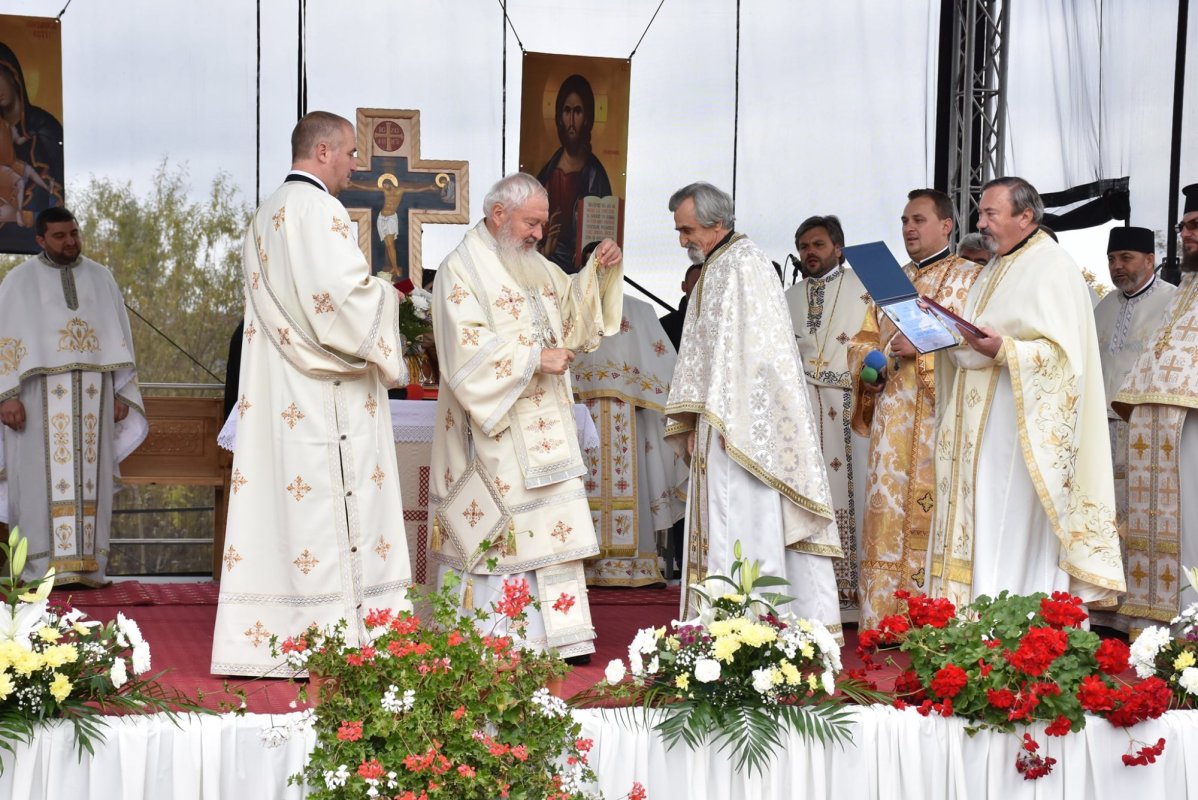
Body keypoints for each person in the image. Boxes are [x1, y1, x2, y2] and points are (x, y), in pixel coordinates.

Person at [210, 111, 412, 677]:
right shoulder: (319, 209)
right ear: (323, 152)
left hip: (279, 392)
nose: (355, 165)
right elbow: (341, 302)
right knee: (327, 512)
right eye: (349, 153)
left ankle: (268, 641)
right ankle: (340, 639)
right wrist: (391, 302)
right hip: (326, 398)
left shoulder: (263, 213)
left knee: (283, 513)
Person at [428, 172, 623, 662]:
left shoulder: (532, 265)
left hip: (547, 427)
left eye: (541, 223)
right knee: (506, 533)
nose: (539, 234)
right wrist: (534, 359)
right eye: (531, 223)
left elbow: (572, 310)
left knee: (555, 527)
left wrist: (598, 271)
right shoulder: (462, 270)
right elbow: (463, 349)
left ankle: (562, 637)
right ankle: (498, 636)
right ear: (499, 215)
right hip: (494, 430)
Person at [927, 176, 1124, 610]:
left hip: (1021, 431)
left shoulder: (1052, 265)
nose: (981, 223)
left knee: (1007, 521)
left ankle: (1015, 622)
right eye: (980, 213)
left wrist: (1005, 350)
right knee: (982, 516)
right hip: (981, 424)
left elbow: (1065, 359)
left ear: (1026, 216)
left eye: (990, 214)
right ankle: (969, 620)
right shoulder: (996, 267)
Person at [664, 182, 842, 640]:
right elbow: (706, 352)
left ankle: (748, 629)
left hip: (742, 430)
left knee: (740, 519)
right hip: (717, 423)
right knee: (721, 518)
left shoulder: (744, 265)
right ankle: (714, 627)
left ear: (716, 222)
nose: (683, 240)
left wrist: (729, 414)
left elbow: (762, 356)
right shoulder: (718, 266)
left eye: (688, 229)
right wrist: (695, 419)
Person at [846, 189, 982, 629]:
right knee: (887, 513)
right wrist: (875, 366)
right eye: (904, 220)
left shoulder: (972, 278)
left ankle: (935, 619)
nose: (908, 228)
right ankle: (885, 620)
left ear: (946, 225)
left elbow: (978, 342)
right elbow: (862, 344)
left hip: (940, 421)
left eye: (919, 220)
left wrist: (923, 346)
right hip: (892, 422)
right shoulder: (888, 283)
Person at [0, 207, 147, 585]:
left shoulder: (101, 278)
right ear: (40, 240)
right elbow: (4, 342)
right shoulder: (18, 282)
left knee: (90, 484)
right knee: (34, 484)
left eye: (74, 233)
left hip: (92, 400)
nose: (70, 242)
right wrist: (6, 396)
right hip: (36, 400)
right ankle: (38, 569)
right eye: (60, 236)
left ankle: (88, 568)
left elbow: (119, 339)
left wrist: (118, 391)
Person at [1111, 184, 1198, 635]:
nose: (1186, 235)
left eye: (1196, 225)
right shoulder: (1187, 288)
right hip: (1164, 433)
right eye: (1185, 226)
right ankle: (1163, 627)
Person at [784, 214, 870, 611]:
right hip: (802, 411)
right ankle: (813, 588)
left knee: (856, 492)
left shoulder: (864, 286)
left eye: (818, 245)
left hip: (853, 406)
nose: (809, 253)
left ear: (838, 247)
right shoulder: (788, 296)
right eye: (803, 247)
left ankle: (855, 586)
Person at [573, 293, 687, 587]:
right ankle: (581, 563)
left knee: (630, 481)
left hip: (627, 414)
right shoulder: (568, 303)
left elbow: (661, 366)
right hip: (581, 414)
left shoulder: (637, 310)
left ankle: (635, 566)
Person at [1092, 227, 1174, 554]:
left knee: (1142, 501)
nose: (1117, 266)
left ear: (1150, 259)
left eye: (1126, 257)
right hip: (1101, 423)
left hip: (1144, 423)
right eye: (1112, 259)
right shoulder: (1103, 306)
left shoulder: (1174, 301)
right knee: (1103, 500)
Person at [535, 74, 613, 273]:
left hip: (581, 269)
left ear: (587, 118)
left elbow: (603, 234)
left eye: (577, 111)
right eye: (566, 111)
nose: (571, 120)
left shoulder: (596, 174)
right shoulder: (547, 172)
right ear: (559, 117)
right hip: (546, 268)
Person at [346, 173, 444, 278]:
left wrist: (428, 187)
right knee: (388, 245)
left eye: (385, 185)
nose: (383, 188)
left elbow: (414, 189)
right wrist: (354, 185)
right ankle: (393, 267)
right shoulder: (384, 190)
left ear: (390, 183)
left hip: (391, 219)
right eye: (383, 186)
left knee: (391, 245)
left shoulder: (400, 190)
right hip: (381, 218)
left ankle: (395, 268)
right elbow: (368, 188)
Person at [659, 263, 701, 352]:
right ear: (684, 286)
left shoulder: (726, 323)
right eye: (695, 284)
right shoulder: (664, 326)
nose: (701, 289)